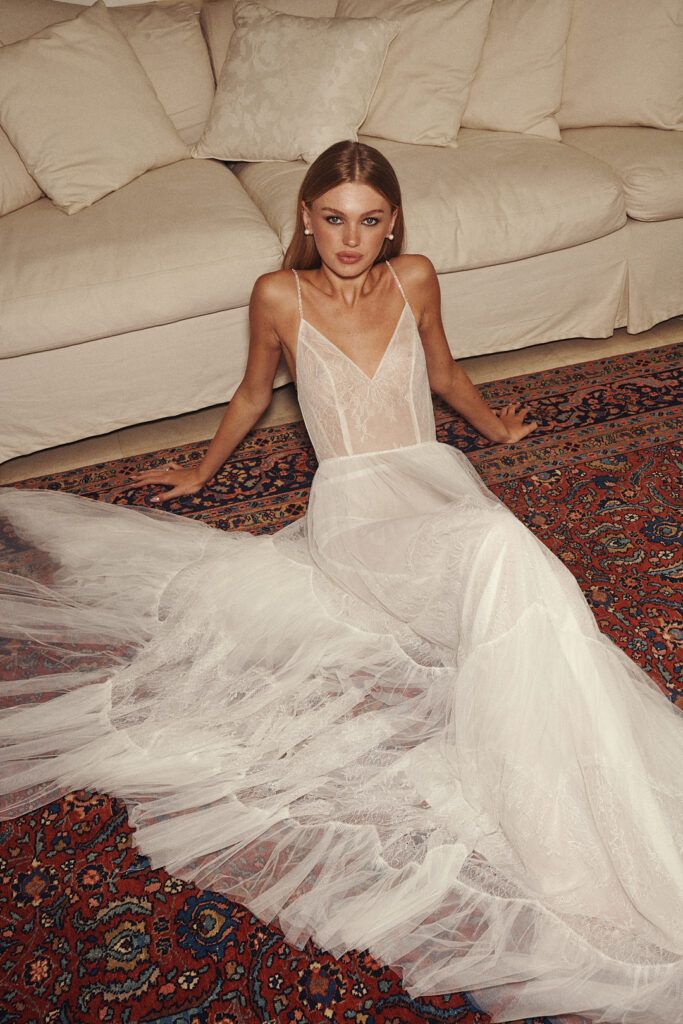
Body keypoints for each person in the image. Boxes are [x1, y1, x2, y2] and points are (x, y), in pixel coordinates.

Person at [0, 141, 681, 1024]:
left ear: (392, 222)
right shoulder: (278, 295)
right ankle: (563, 799)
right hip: (354, 512)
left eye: (368, 221)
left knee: (499, 548)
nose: (349, 239)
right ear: (306, 219)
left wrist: (494, 428)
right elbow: (252, 396)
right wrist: (202, 477)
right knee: (496, 548)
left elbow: (439, 371)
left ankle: (575, 761)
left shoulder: (418, 278)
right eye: (331, 219)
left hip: (433, 477)